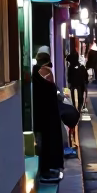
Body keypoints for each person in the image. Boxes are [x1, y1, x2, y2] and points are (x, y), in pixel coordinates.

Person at [32, 49, 64, 182]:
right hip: (48, 117)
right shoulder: (45, 73)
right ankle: (46, 170)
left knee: (43, 143)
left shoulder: (36, 74)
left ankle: (45, 168)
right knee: (47, 143)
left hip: (40, 116)